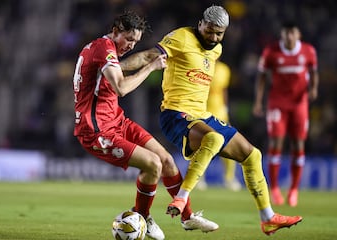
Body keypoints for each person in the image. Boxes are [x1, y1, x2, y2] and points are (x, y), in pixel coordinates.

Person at [120, 5, 302, 235]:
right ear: (201, 24)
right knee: (213, 139)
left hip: (202, 114)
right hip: (175, 114)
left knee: (252, 155)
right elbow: (147, 56)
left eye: (219, 33)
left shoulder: (216, 50)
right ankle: (182, 199)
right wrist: (115, 67)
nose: (214, 37)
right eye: (210, 31)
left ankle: (268, 218)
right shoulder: (181, 38)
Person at [72, 11, 218, 240]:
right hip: (97, 130)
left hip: (116, 120)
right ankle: (143, 217)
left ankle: (187, 217)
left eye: (136, 42)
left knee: (167, 161)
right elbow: (121, 88)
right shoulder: (103, 48)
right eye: (128, 39)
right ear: (116, 31)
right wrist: (150, 67)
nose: (130, 46)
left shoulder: (105, 48)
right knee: (153, 164)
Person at [252, 21, 319, 207]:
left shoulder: (308, 51)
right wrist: (258, 101)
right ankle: (274, 188)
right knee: (276, 143)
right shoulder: (271, 51)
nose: (289, 36)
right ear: (282, 34)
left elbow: (314, 72)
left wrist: (313, 88)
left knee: (298, 144)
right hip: (277, 104)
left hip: (299, 105)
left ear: (298, 35)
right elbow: (262, 77)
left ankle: (294, 190)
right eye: (286, 33)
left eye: (292, 33)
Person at [196, 60, 242, 191]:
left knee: (228, 145)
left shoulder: (224, 69)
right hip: (203, 111)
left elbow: (223, 90)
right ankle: (199, 178)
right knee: (201, 146)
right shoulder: (199, 65)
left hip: (220, 112)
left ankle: (229, 178)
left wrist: (225, 108)